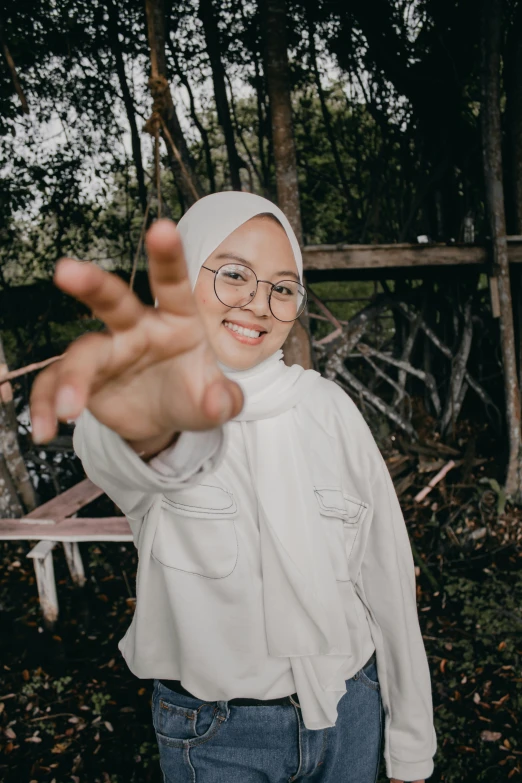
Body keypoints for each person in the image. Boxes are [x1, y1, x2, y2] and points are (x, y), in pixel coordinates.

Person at [30, 192, 437, 783]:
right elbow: (142, 457)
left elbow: (388, 580)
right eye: (233, 275)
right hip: (217, 738)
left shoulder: (328, 410)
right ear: (188, 274)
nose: (258, 304)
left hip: (350, 713)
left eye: (282, 286)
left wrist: (410, 748)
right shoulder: (161, 406)